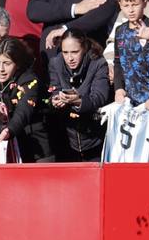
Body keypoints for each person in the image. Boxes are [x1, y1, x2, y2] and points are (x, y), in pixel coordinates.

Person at [47, 27, 110, 162]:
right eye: (65, 52)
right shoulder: (55, 63)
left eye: (75, 52)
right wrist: (55, 100)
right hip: (66, 137)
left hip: (95, 134)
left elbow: (100, 97)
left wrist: (78, 101)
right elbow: (54, 89)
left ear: (85, 48)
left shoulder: (98, 63)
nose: (70, 58)